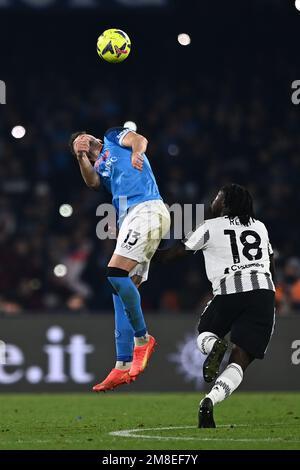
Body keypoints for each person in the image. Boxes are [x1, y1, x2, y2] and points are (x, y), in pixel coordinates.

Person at [69, 127, 170, 392]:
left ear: (94, 137)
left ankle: (142, 339)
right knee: (120, 288)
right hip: (130, 220)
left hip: (146, 208)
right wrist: (80, 157)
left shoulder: (113, 137)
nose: (82, 140)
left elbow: (140, 139)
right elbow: (92, 183)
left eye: (84, 137)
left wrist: (137, 152)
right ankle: (122, 364)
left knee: (115, 273)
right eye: (77, 143)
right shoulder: (100, 166)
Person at [183, 184, 275, 428]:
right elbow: (270, 263)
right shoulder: (260, 227)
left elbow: (178, 252)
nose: (213, 201)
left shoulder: (211, 226)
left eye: (217, 197)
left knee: (204, 333)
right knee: (240, 361)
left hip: (230, 290)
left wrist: (147, 253)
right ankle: (209, 401)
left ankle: (215, 345)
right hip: (264, 293)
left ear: (224, 203)